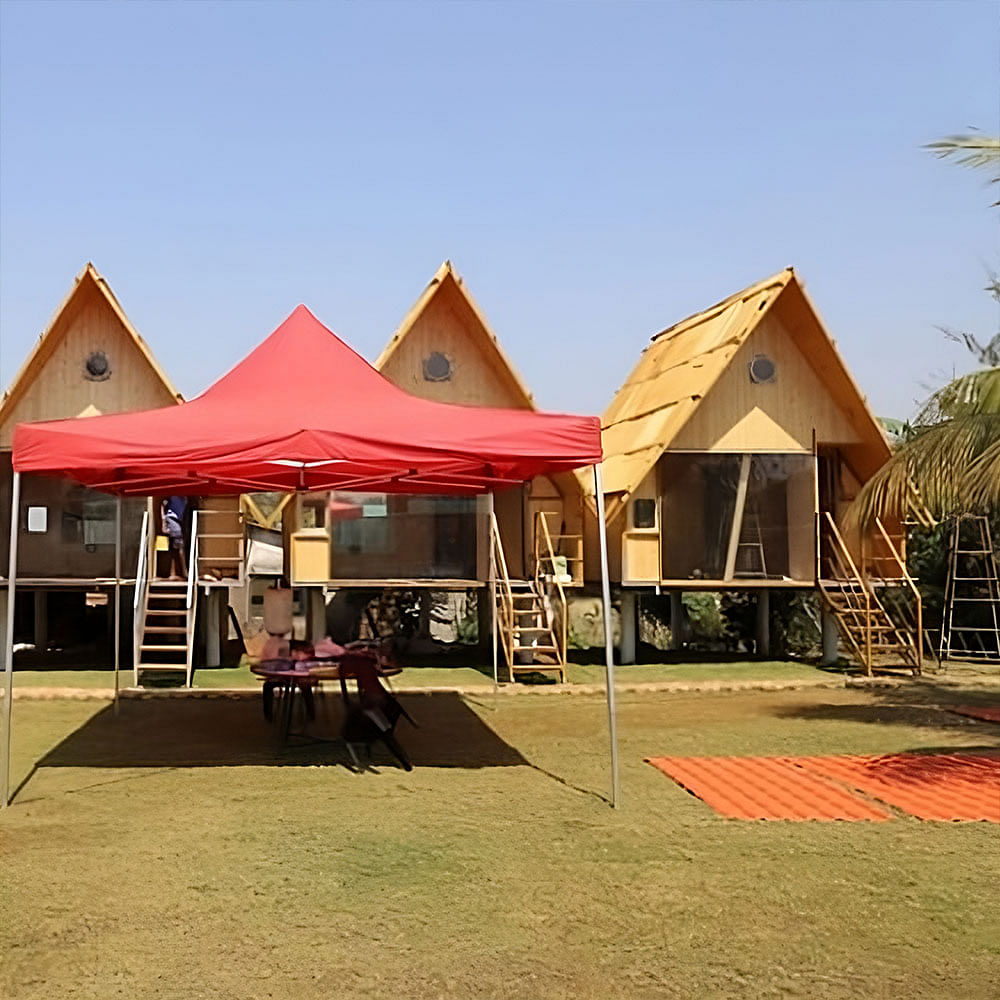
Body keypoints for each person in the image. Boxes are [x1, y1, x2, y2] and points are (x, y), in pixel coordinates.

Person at [161, 495, 189, 579]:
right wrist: (164, 523)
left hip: (179, 521)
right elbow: (163, 505)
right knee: (179, 547)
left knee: (176, 547)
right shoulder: (172, 495)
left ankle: (175, 572)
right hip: (172, 520)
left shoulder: (184, 497)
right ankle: (182, 572)